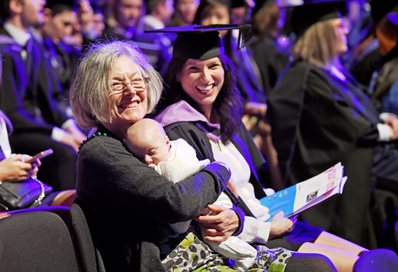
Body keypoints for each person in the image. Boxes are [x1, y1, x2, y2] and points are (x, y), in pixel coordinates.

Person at [70, 39, 336, 272]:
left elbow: (202, 199)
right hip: (172, 263)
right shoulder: (101, 150)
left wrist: (236, 219)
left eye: (137, 80)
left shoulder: (146, 134)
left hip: (208, 249)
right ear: (94, 95)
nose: (131, 91)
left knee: (316, 264)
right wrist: (219, 169)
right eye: (117, 84)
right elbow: (177, 202)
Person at [151, 24, 387, 272]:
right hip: (251, 238)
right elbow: (208, 211)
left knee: (376, 258)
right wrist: (266, 228)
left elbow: (252, 185)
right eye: (194, 69)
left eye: (213, 66)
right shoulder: (176, 129)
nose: (207, 78)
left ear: (225, 68)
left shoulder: (226, 117)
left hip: (269, 218)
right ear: (177, 74)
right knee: (368, 266)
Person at [267, 0, 398, 250]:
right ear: (322, 33)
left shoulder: (332, 71)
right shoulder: (303, 75)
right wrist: (385, 131)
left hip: (374, 162)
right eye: (339, 26)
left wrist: (382, 121)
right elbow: (341, 125)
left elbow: (358, 109)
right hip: (346, 176)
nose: (346, 31)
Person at [125, 118, 258, 271]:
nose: (148, 161)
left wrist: (179, 226)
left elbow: (181, 214)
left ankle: (246, 256)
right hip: (215, 196)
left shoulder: (170, 169)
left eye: (151, 152)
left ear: (167, 142)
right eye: (140, 158)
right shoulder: (180, 145)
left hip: (211, 205)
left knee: (215, 238)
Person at [0, 0, 86, 190]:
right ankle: (64, 213)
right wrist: (58, 134)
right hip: (14, 130)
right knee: (65, 154)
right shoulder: (3, 46)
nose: (43, 2)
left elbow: (50, 97)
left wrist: (69, 128)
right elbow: (11, 111)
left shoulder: (34, 44)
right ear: (16, 5)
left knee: (87, 140)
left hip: (35, 125)